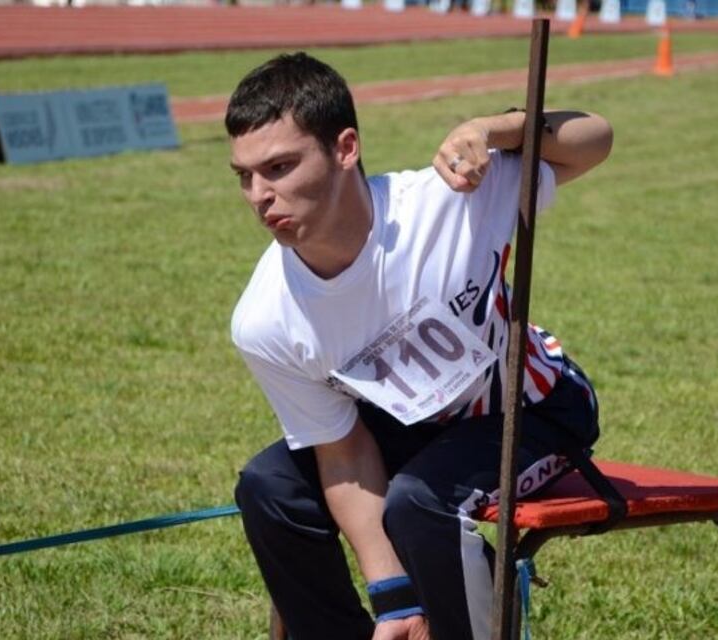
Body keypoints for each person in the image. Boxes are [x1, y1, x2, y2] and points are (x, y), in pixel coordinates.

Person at [226, 52, 612, 640]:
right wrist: (395, 599)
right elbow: (343, 453)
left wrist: (490, 129)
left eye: (279, 166)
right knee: (270, 485)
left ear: (345, 148)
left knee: (417, 502)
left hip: (530, 412)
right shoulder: (265, 318)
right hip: (409, 429)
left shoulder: (449, 202)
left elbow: (594, 138)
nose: (259, 195)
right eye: (245, 175)